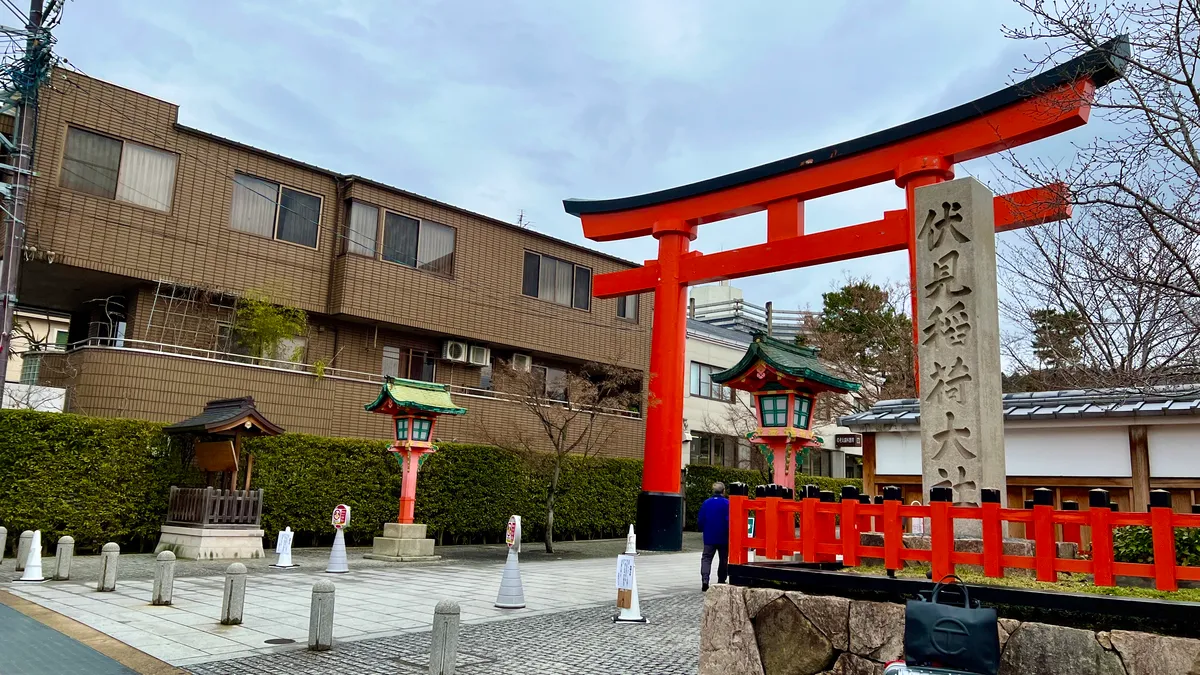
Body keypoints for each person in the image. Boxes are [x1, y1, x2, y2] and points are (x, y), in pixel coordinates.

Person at [697, 481, 729, 591]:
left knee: (706, 558)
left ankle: (705, 580)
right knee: (723, 558)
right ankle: (721, 579)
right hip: (723, 536)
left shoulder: (706, 503)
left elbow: (701, 520)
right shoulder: (727, 503)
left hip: (709, 536)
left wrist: (703, 529)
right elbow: (730, 520)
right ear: (723, 491)